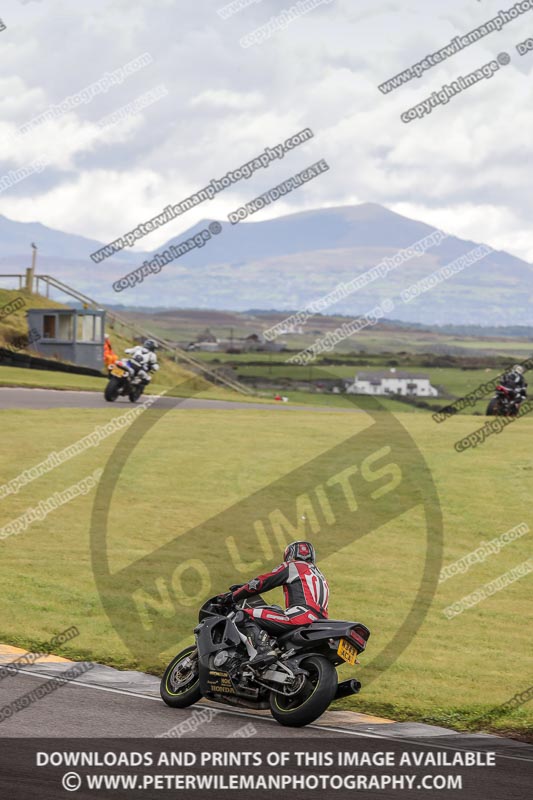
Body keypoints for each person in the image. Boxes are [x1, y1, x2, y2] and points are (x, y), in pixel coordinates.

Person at [218, 541, 329, 667]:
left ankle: (262, 651)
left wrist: (234, 596)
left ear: (290, 555)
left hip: (300, 615)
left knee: (243, 615)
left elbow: (263, 582)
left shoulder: (294, 566)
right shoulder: (319, 575)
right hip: (320, 622)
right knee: (275, 609)